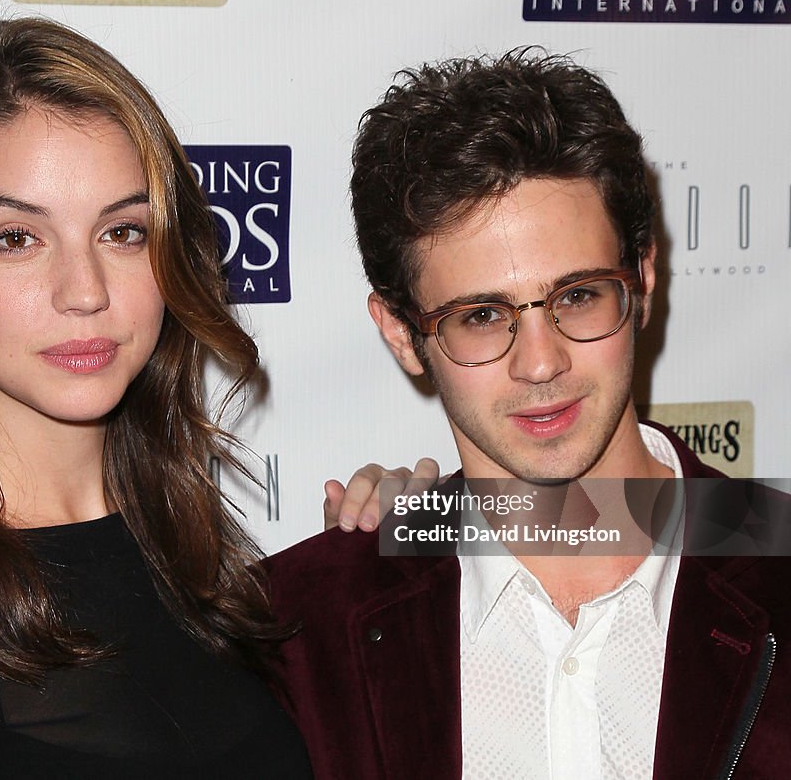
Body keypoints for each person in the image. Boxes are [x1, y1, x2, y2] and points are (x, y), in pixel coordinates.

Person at [0, 17, 317, 778]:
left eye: (123, 232)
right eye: (16, 238)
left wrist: (386, 543)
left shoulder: (202, 564)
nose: (85, 291)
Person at [265, 50, 791, 779]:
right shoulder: (296, 634)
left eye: (578, 295)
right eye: (481, 315)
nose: (541, 363)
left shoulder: (776, 562)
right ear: (400, 332)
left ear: (643, 277)